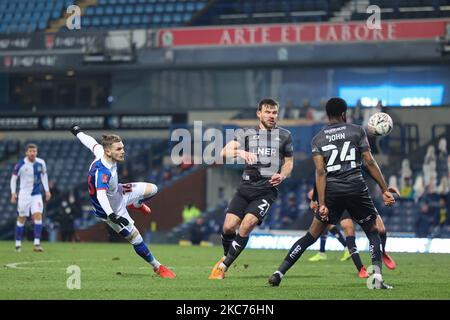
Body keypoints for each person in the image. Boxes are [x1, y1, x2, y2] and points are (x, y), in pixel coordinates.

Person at [268, 97, 398, 289]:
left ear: (327, 115)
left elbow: (320, 172)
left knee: (310, 236)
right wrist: (385, 189)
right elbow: (370, 162)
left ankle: (279, 273)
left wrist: (321, 203)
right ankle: (377, 279)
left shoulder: (318, 139)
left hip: (333, 191)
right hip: (356, 188)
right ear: (344, 114)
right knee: (372, 232)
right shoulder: (357, 131)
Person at [69, 124, 175, 278]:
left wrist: (77, 132)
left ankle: (135, 204)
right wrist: (112, 215)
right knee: (135, 237)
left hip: (118, 192)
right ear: (108, 151)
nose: (123, 151)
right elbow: (101, 196)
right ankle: (158, 267)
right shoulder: (102, 171)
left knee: (153, 189)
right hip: (108, 209)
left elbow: (90, 142)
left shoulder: (101, 152)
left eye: (122, 147)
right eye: (118, 149)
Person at [208, 98, 294, 280]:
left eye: (274, 112)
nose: (271, 116)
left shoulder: (285, 135)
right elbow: (223, 152)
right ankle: (227, 257)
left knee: (246, 226)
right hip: (245, 187)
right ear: (259, 113)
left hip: (266, 190)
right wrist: (240, 152)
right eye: (268, 112)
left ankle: (222, 268)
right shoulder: (247, 134)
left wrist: (283, 175)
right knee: (228, 227)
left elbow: (289, 163)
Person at [10, 144, 51, 252]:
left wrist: (47, 190)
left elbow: (44, 176)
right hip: (24, 195)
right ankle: (18, 244)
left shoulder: (41, 163)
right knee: (21, 218)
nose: (32, 153)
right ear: (26, 153)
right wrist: (13, 193)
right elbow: (13, 179)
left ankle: (37, 244)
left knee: (38, 215)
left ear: (36, 152)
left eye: (34, 151)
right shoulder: (21, 164)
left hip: (36, 195)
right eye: (30, 151)